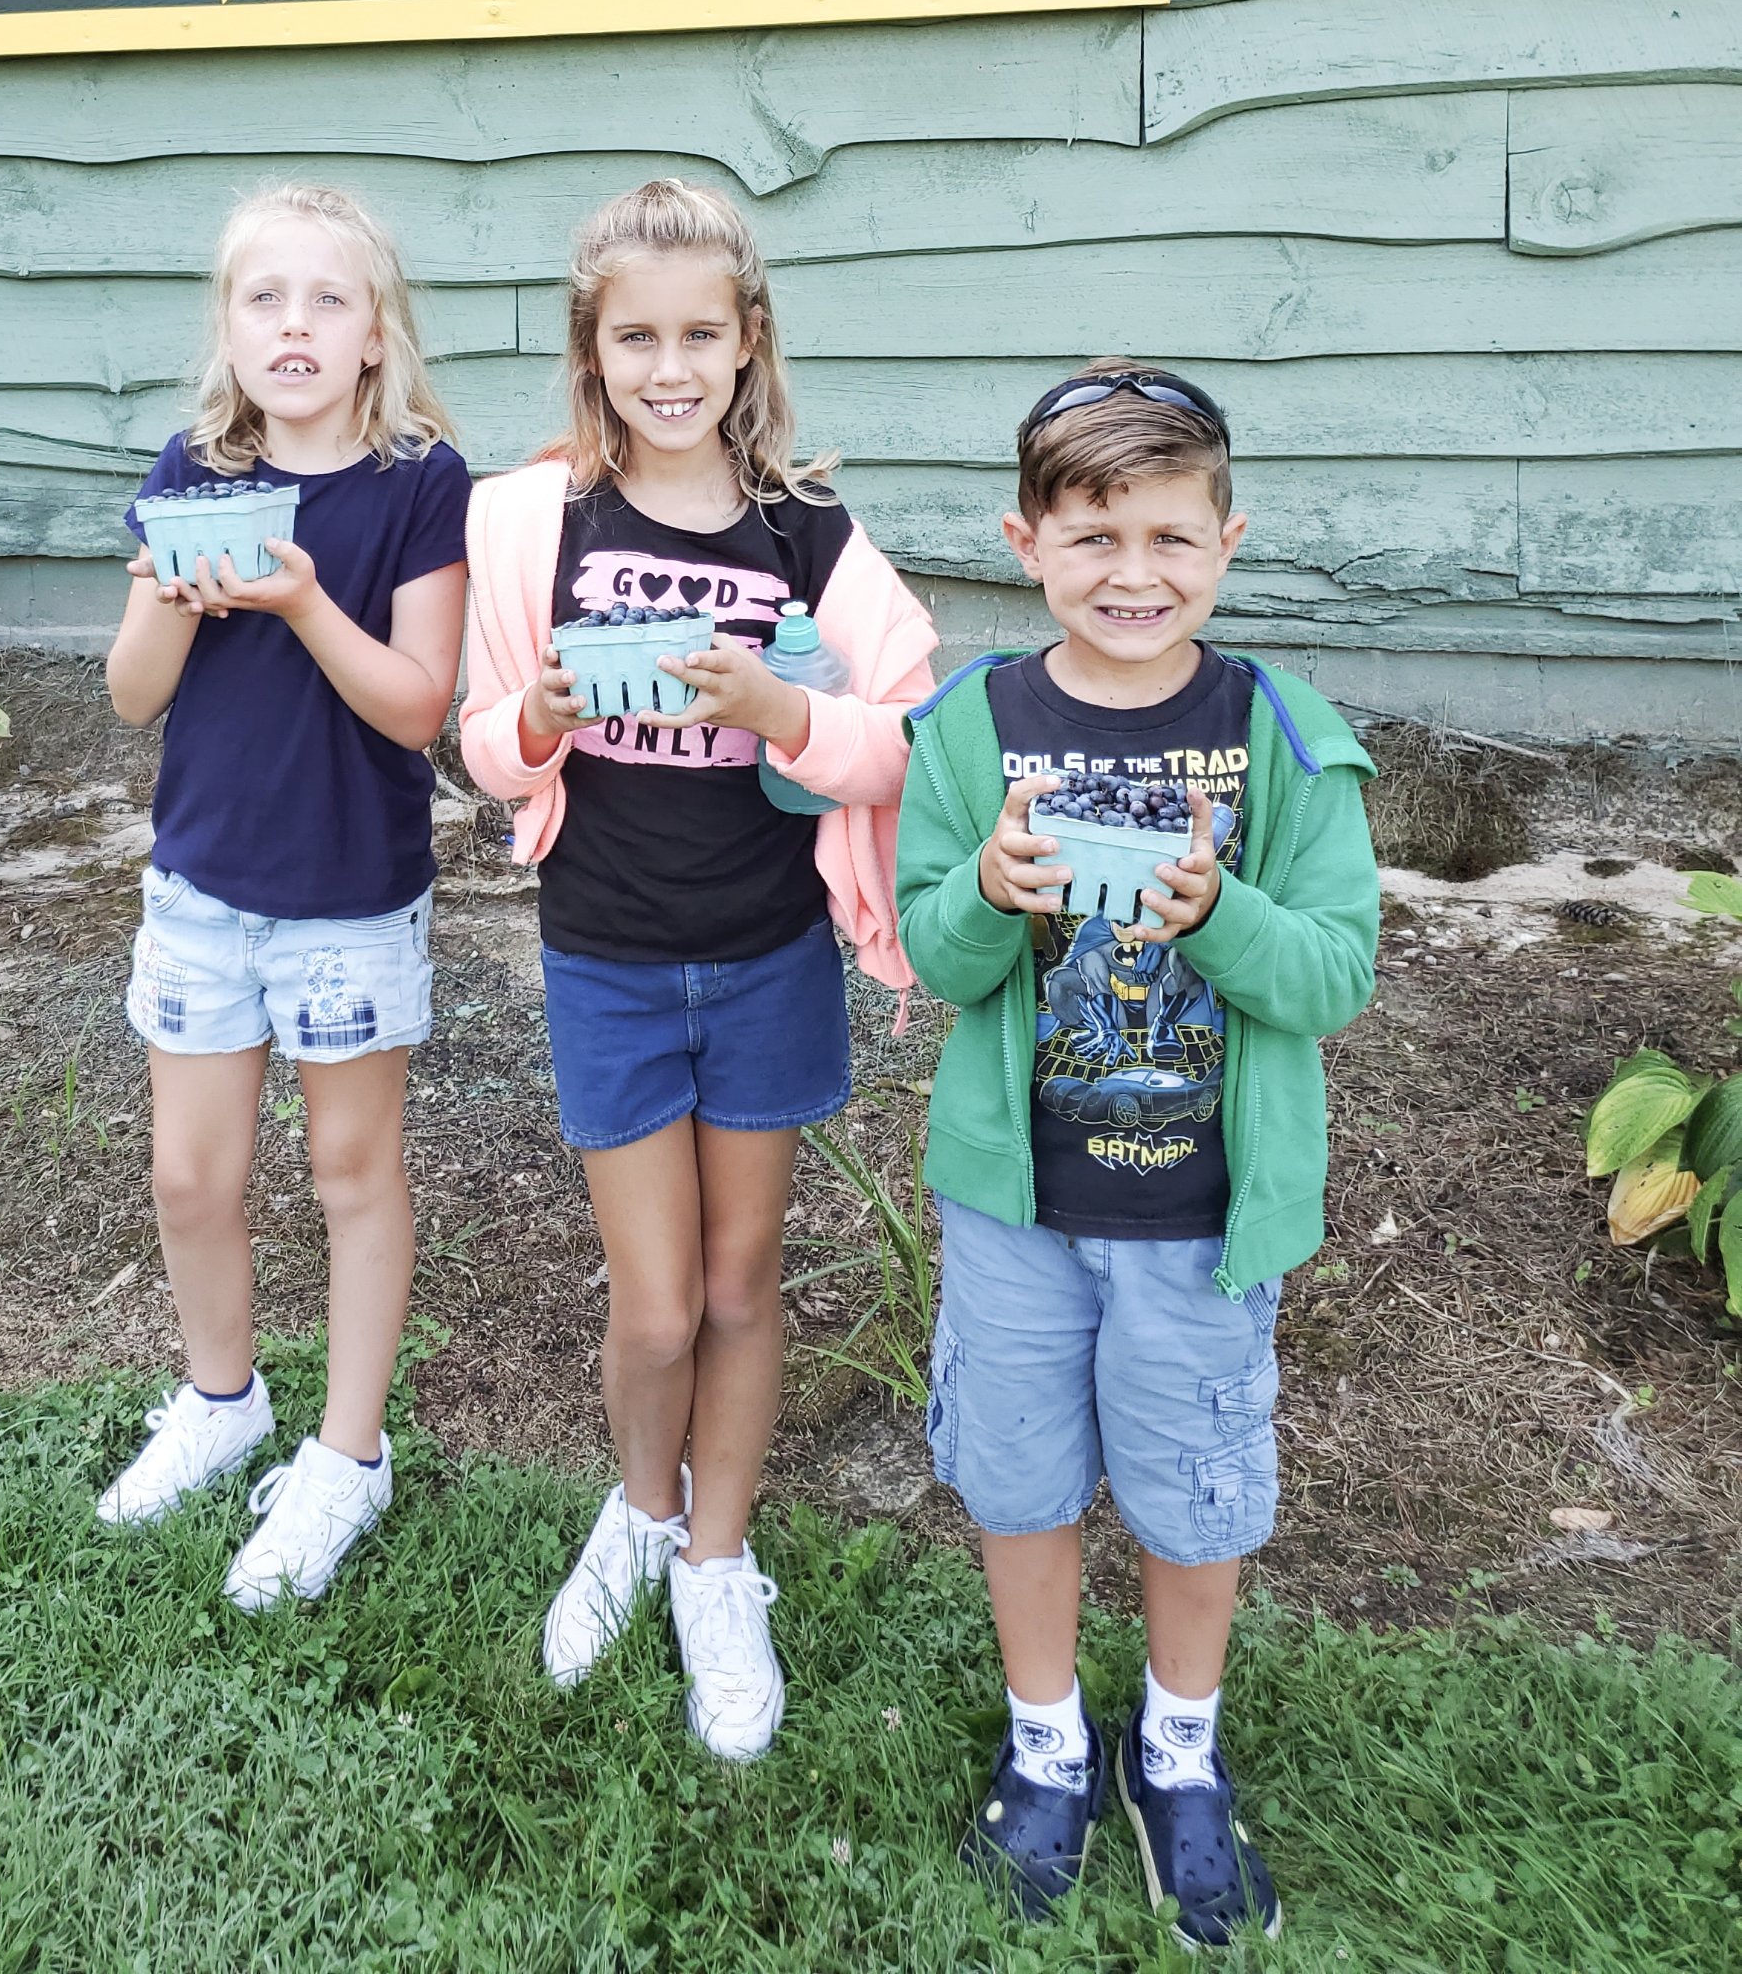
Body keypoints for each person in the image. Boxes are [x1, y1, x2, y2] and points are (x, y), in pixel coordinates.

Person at [895, 358, 1378, 1947]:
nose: (1133, 573)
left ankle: (1176, 1750)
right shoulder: (970, 728)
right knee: (1020, 1478)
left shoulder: (1279, 736)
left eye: (1171, 537)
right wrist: (989, 892)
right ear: (1024, 543)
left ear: (1225, 542)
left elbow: (1333, 976)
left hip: (1199, 1218)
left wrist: (1217, 913)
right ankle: (1046, 1741)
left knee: (1193, 1494)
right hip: (1017, 1207)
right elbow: (932, 955)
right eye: (1093, 537)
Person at [461, 178, 933, 1760]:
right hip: (604, 960)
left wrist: (780, 711)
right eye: (635, 338)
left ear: (748, 344)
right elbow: (478, 745)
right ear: (590, 352)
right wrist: (534, 720)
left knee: (740, 1286)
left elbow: (907, 739)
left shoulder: (807, 536)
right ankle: (639, 1507)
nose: (668, 368)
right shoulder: (533, 524)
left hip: (766, 959)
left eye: (698, 336)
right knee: (656, 1310)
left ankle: (716, 1560)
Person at [98, 182, 469, 1610]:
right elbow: (132, 699)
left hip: (347, 897)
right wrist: (168, 594)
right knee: (190, 1176)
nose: (294, 324)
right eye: (266, 298)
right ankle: (221, 1399)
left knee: (349, 1174)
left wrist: (302, 599)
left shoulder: (419, 483)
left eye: (328, 299)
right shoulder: (191, 470)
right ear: (230, 328)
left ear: (376, 334)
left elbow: (417, 708)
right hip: (202, 885)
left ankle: (348, 1453)